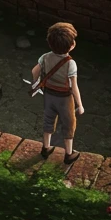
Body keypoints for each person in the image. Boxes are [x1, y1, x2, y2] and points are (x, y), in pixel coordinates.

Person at [31, 21, 84, 163]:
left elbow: (34, 71)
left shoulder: (45, 57)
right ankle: (69, 154)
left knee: (48, 120)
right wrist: (80, 104)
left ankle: (46, 148)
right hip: (65, 98)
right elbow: (74, 86)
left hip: (49, 94)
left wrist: (37, 83)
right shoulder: (70, 63)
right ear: (72, 45)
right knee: (68, 124)